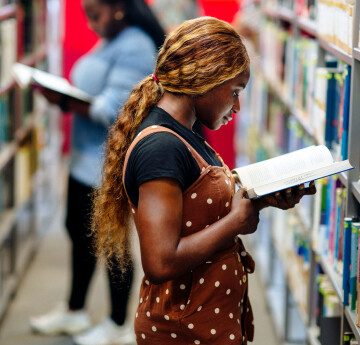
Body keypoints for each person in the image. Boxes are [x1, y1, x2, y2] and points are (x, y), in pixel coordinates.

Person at [91, 17, 316, 344]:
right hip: (182, 330)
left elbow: (196, 211)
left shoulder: (184, 132)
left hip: (201, 320)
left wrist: (262, 199)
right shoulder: (161, 148)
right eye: (235, 92)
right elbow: (159, 261)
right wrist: (236, 222)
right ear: (206, 78)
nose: (237, 106)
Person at [29, 1, 165, 344]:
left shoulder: (135, 44)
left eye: (95, 14)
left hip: (107, 166)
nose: (90, 24)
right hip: (84, 160)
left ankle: (119, 324)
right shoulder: (111, 36)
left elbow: (116, 112)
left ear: (118, 8)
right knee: (80, 234)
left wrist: (63, 100)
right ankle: (75, 311)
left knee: (113, 244)